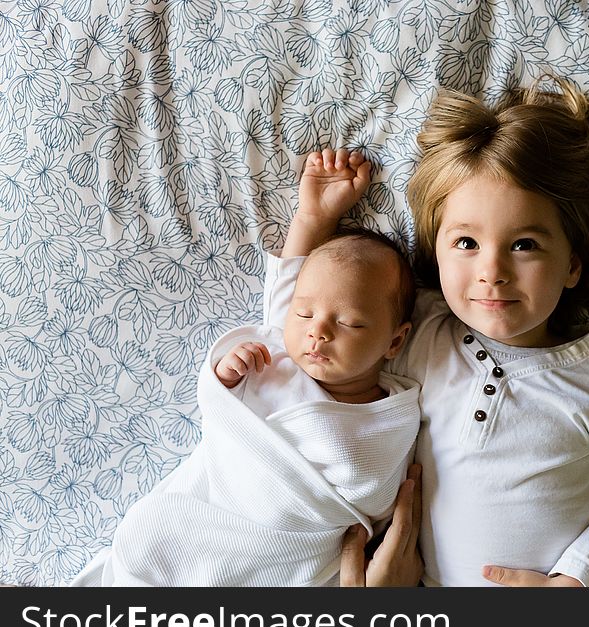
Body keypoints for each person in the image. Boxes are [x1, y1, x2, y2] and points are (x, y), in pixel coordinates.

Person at [273, 75, 589, 587]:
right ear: (434, 255)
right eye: (465, 244)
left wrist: (576, 580)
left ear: (572, 265)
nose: (493, 270)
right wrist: (312, 221)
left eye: (524, 244)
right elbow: (304, 325)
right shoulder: (416, 334)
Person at [69, 152, 422, 587]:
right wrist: (314, 213)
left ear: (395, 341)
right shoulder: (276, 354)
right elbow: (291, 283)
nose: (318, 332)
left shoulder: (394, 414)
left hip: (287, 553)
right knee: (148, 553)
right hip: (205, 522)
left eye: (349, 322)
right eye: (305, 315)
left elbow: (374, 497)